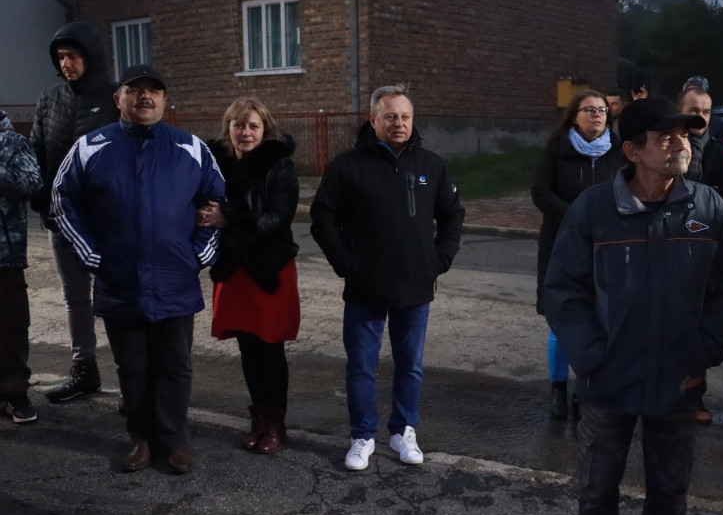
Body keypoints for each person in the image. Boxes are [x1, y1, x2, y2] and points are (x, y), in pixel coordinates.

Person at [545, 97, 723, 515]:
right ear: (631, 150)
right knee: (597, 482)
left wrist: (705, 349)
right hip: (608, 379)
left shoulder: (708, 208)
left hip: (678, 379)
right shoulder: (593, 209)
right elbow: (563, 291)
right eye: (665, 137)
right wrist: (592, 357)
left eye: (684, 135)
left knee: (670, 484)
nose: (680, 144)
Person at [51, 65, 225, 475]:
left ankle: (175, 439)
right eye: (135, 91)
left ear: (165, 100)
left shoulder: (192, 148)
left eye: (154, 91)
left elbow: (218, 205)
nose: (145, 97)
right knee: (133, 367)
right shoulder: (90, 146)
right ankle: (142, 440)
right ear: (119, 100)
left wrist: (197, 255)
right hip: (119, 280)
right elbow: (62, 201)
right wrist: (92, 256)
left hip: (174, 280)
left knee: (175, 365)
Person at [310, 84, 464, 471]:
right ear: (374, 120)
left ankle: (403, 431)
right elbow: (322, 220)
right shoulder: (347, 166)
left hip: (416, 286)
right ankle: (362, 436)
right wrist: (347, 263)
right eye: (391, 116)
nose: (399, 123)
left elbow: (451, 215)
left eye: (406, 116)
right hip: (364, 287)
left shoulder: (431, 166)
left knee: (410, 365)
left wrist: (440, 258)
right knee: (362, 366)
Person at [198, 97, 300, 455]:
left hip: (268, 267)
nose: (245, 132)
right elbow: (203, 204)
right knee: (247, 348)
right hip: (234, 267)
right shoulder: (216, 164)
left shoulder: (280, 166)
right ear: (229, 128)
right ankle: (258, 420)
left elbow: (278, 218)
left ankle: (276, 423)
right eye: (239, 125)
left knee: (269, 348)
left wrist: (230, 216)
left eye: (253, 126)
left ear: (265, 129)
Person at [29, 22, 118, 404]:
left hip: (107, 222)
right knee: (75, 298)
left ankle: (132, 377)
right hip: (61, 221)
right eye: (61, 57)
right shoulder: (49, 99)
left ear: (90, 57)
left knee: (115, 296)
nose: (66, 63)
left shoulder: (116, 97)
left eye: (74, 56)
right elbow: (37, 152)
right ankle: (85, 370)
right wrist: (41, 198)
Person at [531, 90, 622, 418]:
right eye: (589, 110)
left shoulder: (619, 152)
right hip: (562, 245)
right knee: (561, 322)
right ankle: (558, 387)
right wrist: (576, 217)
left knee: (599, 320)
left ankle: (586, 387)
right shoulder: (557, 149)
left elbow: (628, 192)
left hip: (605, 249)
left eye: (602, 110)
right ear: (573, 116)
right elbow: (540, 192)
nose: (597, 115)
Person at [676, 78, 723, 425]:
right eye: (693, 110)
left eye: (707, 111)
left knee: (697, 319)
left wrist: (700, 205)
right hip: (665, 239)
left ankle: (694, 397)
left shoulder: (717, 146)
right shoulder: (669, 145)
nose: (701, 116)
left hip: (702, 240)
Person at [0, 109, 44, 424]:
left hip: (5, 254)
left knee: (12, 328)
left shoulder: (14, 142)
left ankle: (15, 394)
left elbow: (31, 183)